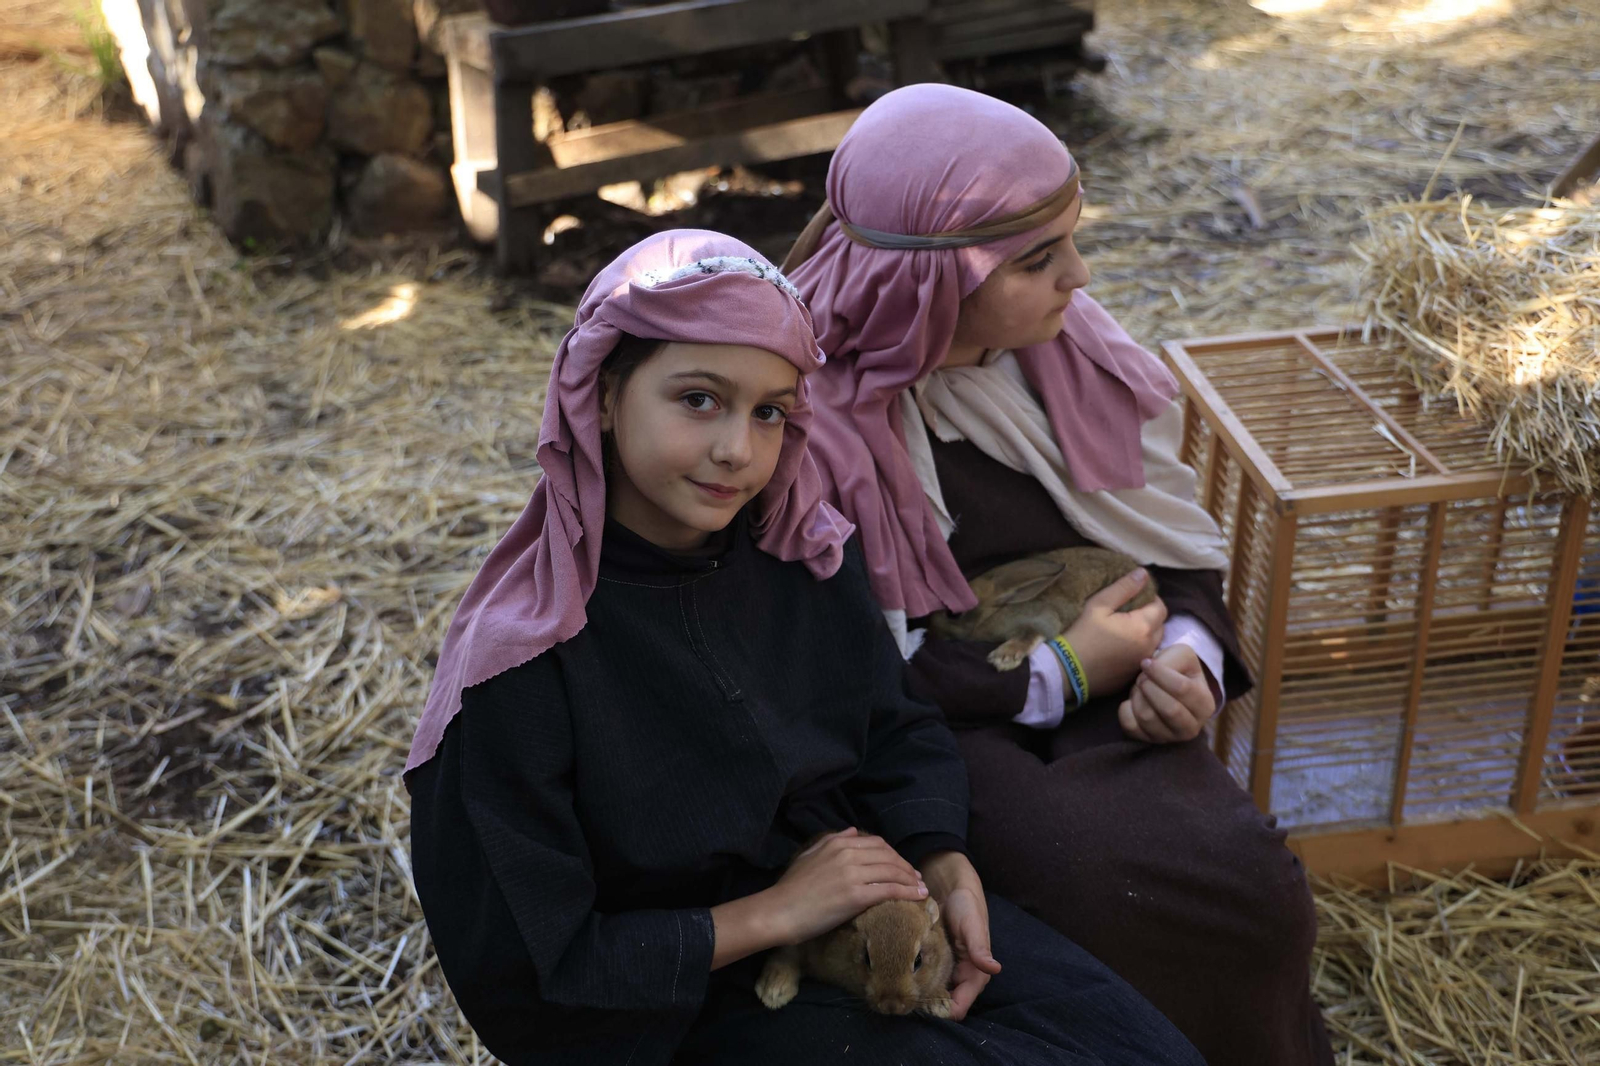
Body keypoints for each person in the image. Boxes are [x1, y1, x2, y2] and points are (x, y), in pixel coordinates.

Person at [405, 230, 1206, 1066]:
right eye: (698, 399)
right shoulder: (525, 662)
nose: (737, 451)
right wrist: (776, 914)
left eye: (769, 412)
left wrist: (943, 863)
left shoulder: (804, 557)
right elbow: (532, 972)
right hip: (686, 1006)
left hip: (875, 932)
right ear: (603, 394)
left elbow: (896, 727)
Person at [783, 85, 1334, 1066]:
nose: (1078, 277)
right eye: (1038, 259)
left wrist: (1187, 658)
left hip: (1112, 689)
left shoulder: (1065, 352)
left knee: (1254, 886)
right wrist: (1061, 674)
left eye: (1069, 242)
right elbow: (849, 676)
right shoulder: (809, 423)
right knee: (1095, 892)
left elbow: (1172, 544)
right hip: (937, 737)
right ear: (932, 286)